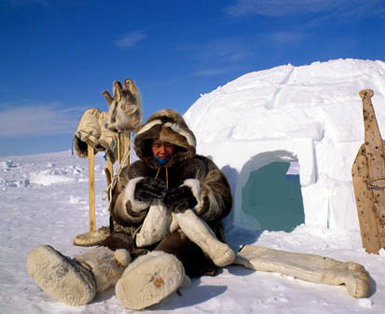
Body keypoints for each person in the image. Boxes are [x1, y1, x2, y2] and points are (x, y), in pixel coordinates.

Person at [27, 109, 234, 310]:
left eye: (168, 145)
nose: (162, 150)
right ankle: (82, 274)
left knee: (172, 250)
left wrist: (196, 197)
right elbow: (116, 209)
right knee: (116, 246)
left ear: (180, 144)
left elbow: (222, 198)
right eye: (157, 144)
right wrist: (135, 199)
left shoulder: (201, 167)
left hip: (185, 231)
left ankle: (145, 283)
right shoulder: (135, 171)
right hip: (137, 230)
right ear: (148, 144)